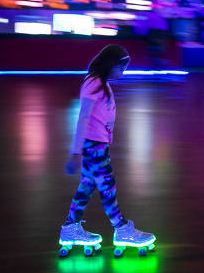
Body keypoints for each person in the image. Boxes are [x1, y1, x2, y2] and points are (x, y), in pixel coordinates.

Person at [59, 45, 155, 256]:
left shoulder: (101, 83)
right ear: (111, 65)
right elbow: (83, 117)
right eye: (122, 68)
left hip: (96, 144)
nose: (123, 72)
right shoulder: (93, 83)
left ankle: (69, 228)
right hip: (93, 146)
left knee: (87, 187)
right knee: (107, 187)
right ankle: (121, 229)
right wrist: (75, 152)